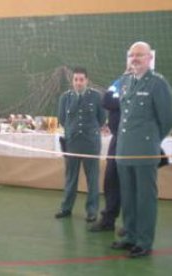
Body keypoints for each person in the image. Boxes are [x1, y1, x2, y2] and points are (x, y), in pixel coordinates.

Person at [111, 41, 172, 258]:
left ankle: (144, 241)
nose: (135, 58)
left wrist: (151, 140)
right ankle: (130, 235)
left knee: (145, 198)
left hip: (145, 150)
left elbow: (166, 119)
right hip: (124, 149)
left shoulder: (157, 83)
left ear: (149, 58)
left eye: (139, 55)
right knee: (128, 197)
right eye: (132, 55)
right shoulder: (126, 81)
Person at [55, 67, 106, 222]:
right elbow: (62, 119)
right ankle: (66, 208)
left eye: (81, 79)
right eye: (76, 79)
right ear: (73, 81)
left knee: (92, 179)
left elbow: (102, 119)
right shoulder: (65, 97)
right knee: (70, 178)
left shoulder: (96, 97)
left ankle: (92, 211)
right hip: (72, 143)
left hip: (91, 143)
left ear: (86, 80)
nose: (78, 82)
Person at [89, 65, 133, 232]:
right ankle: (108, 220)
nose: (129, 72)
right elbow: (106, 101)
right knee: (111, 179)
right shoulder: (118, 82)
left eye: (133, 70)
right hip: (117, 139)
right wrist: (122, 100)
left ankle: (131, 225)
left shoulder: (144, 87)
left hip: (133, 141)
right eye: (128, 69)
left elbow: (128, 104)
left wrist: (119, 101)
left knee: (130, 183)